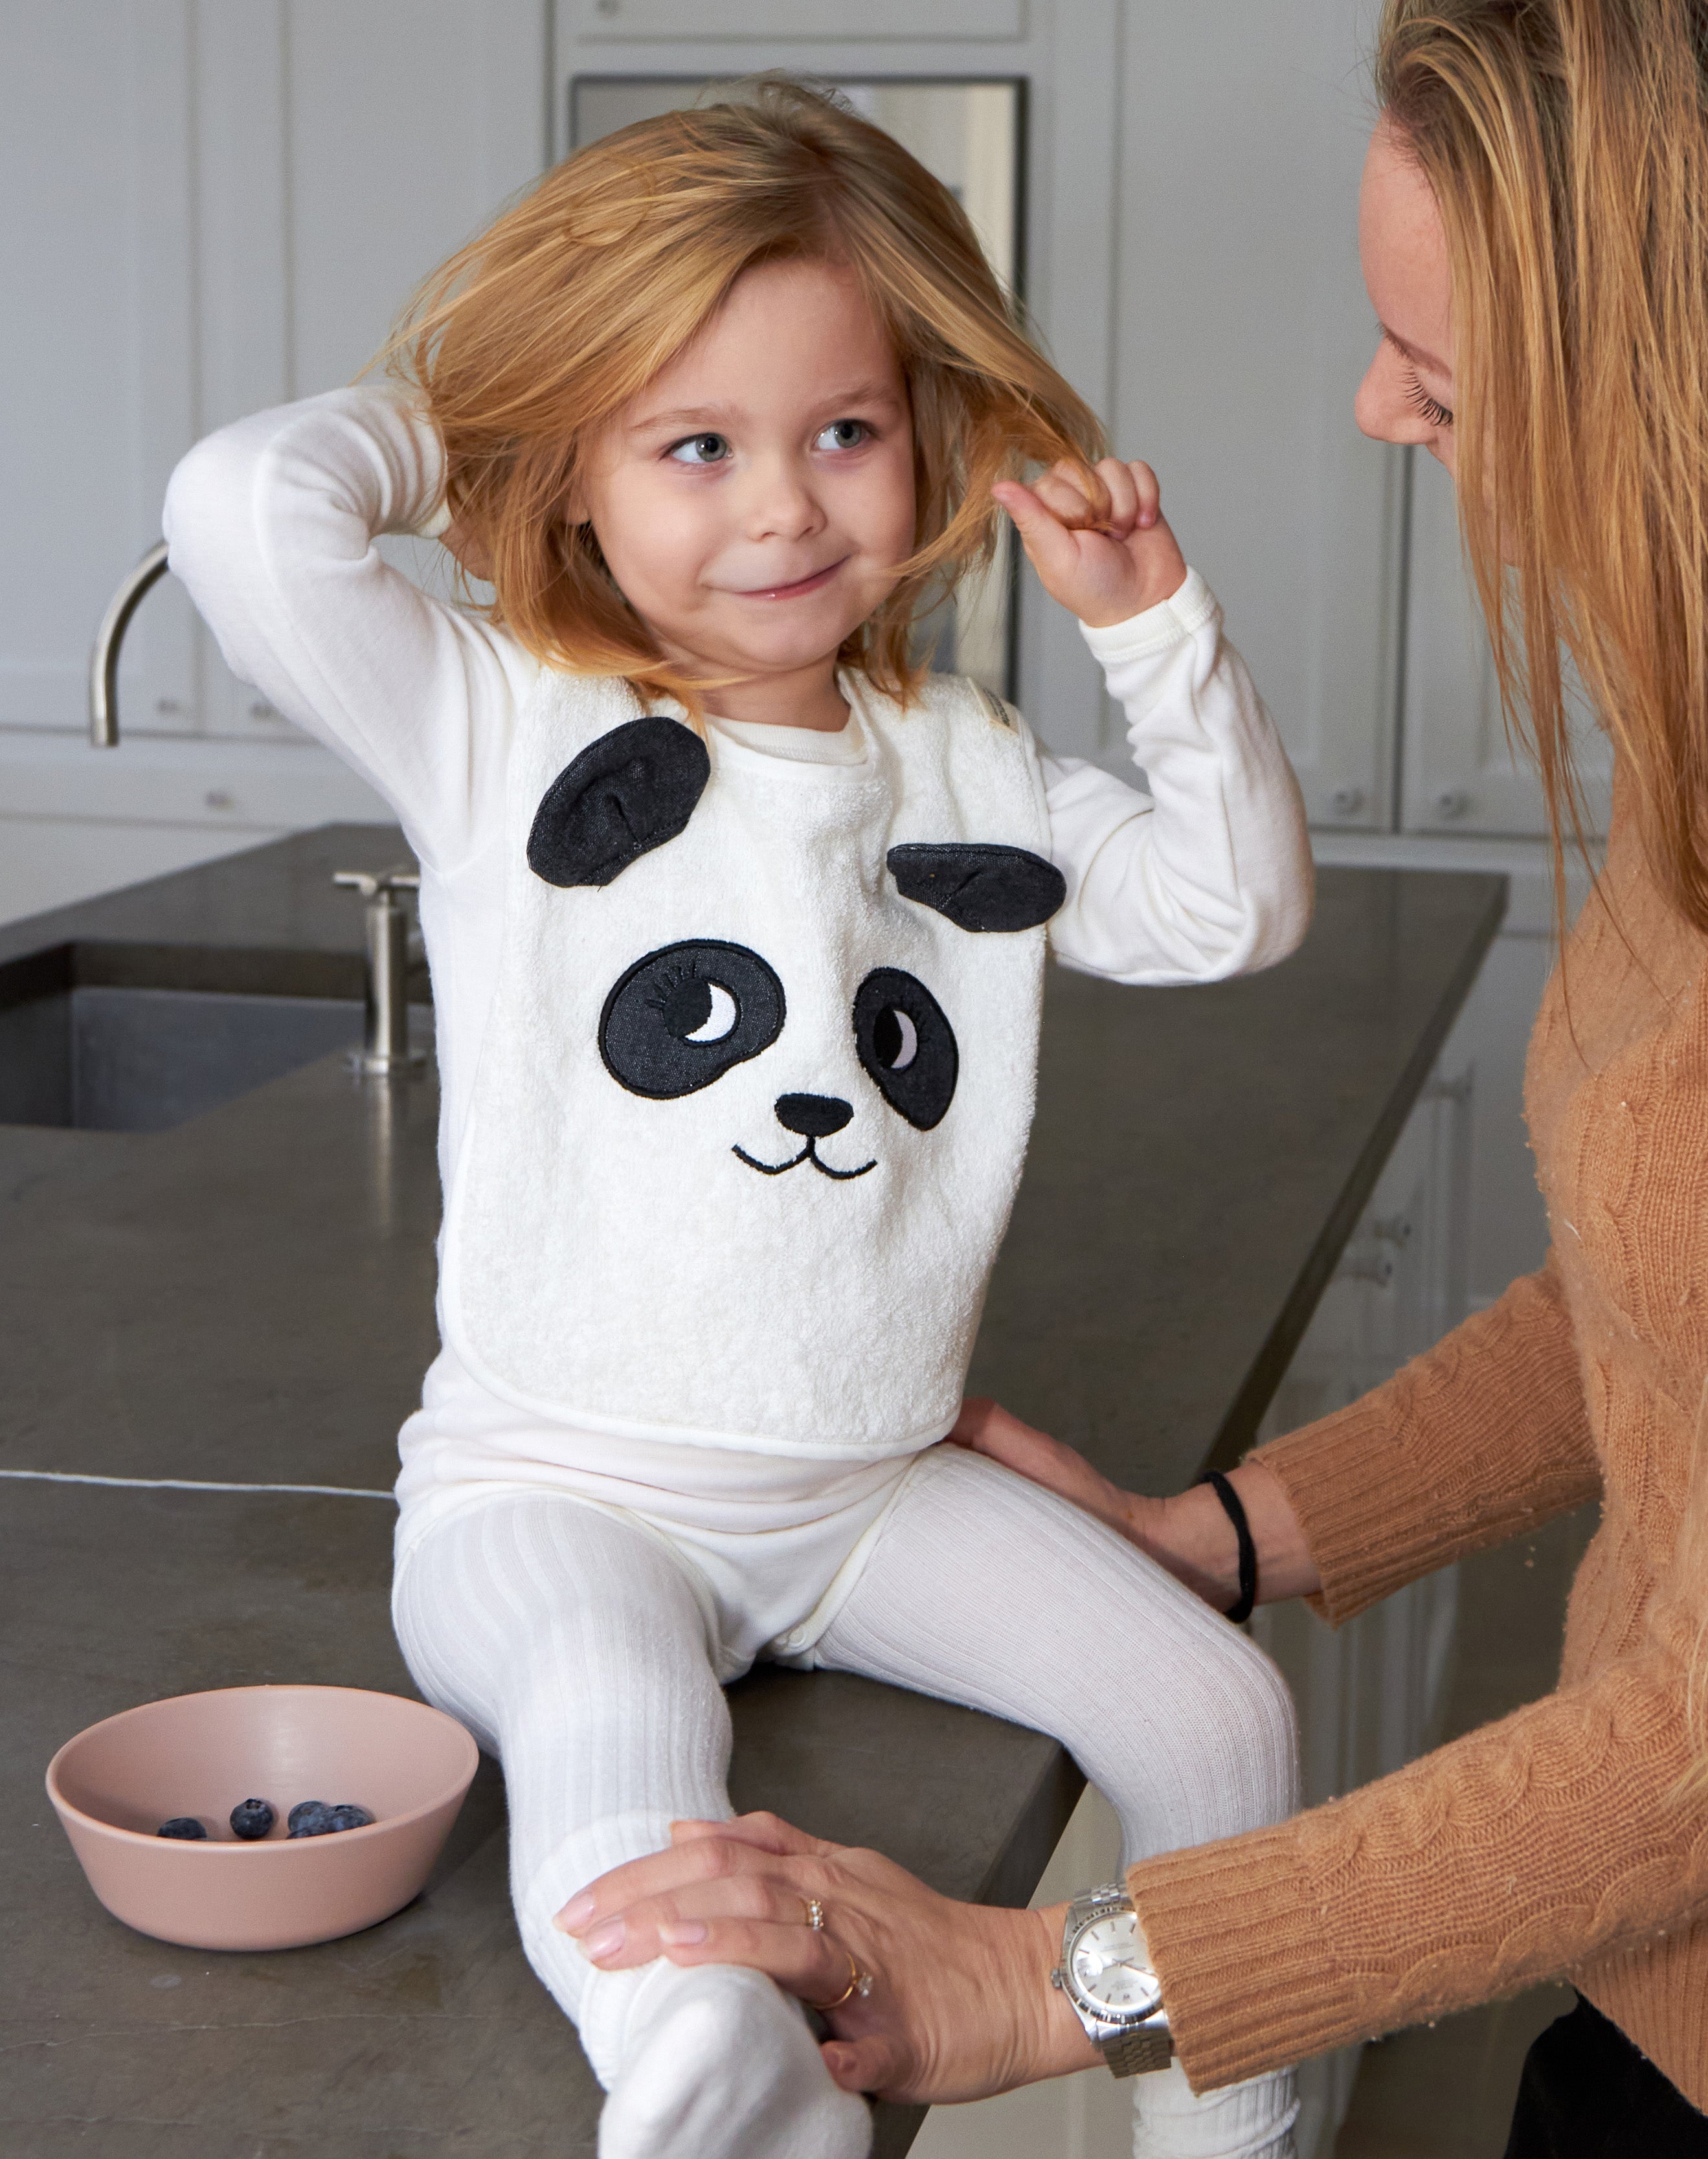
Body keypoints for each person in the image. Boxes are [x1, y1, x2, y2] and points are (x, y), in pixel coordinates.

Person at [559, 7, 1708, 2154]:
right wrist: (1228, 1535)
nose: (1374, 408)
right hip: (1672, 2000)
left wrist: (1068, 1976)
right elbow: (1675, 1295)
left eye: (1440, 370)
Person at [162, 80, 1319, 2159]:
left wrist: (1151, 632)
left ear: (924, 433)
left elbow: (1229, 914)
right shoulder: (502, 714)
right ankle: (705, 2075)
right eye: (693, 443)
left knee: (1224, 1710)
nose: (783, 509)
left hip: (866, 1487)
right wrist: (492, 402)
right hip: (555, 1492)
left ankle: (1230, 2136)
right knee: (628, 1743)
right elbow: (249, 507)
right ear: (578, 470)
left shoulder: (962, 769)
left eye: (841, 432)